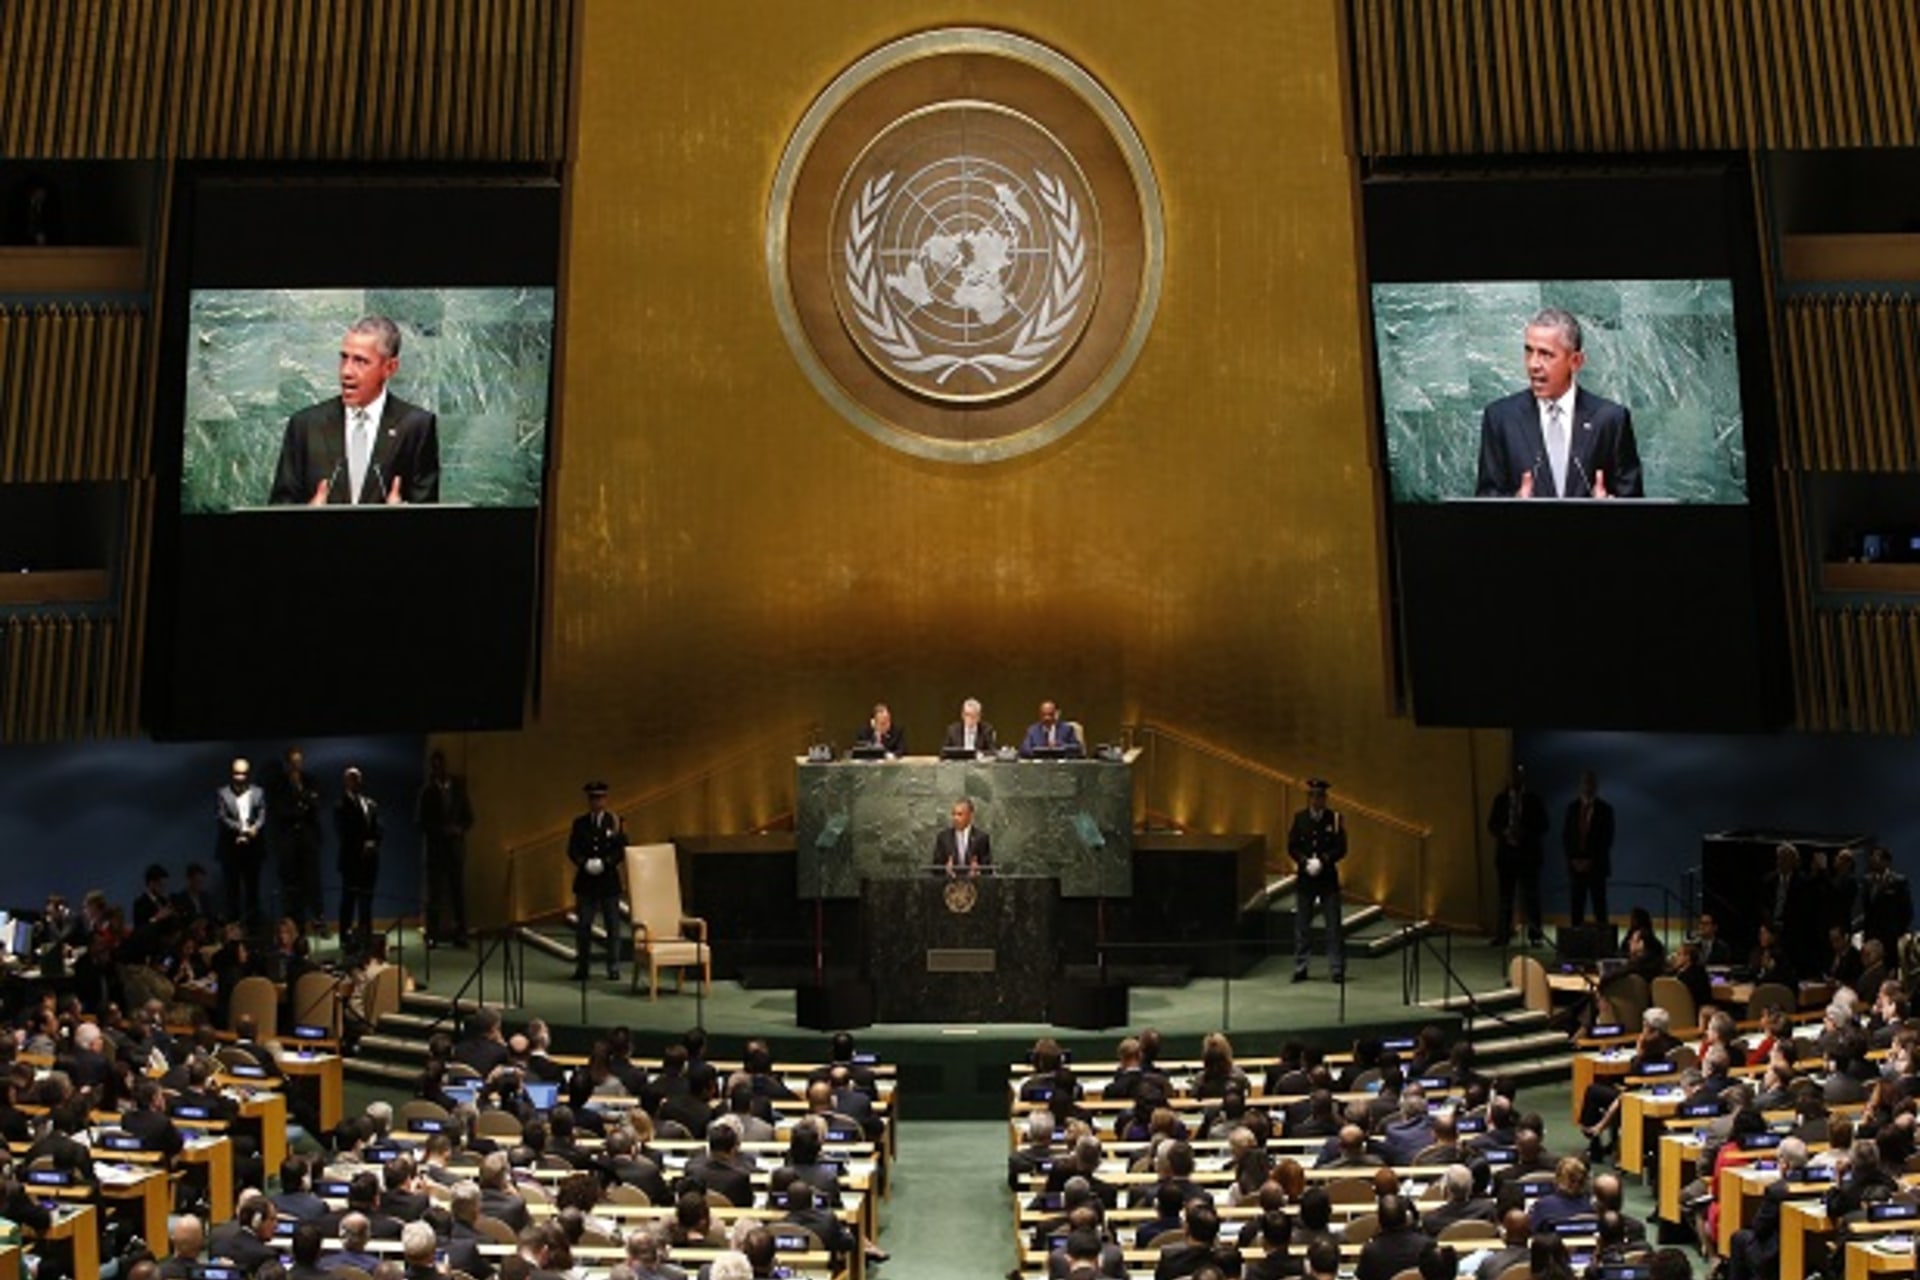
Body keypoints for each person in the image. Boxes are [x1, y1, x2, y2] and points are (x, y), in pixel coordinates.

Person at [269, 315, 440, 506]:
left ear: (390, 368)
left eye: (360, 361)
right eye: (344, 358)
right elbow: (280, 508)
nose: (346, 372)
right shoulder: (305, 426)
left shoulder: (416, 426)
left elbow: (428, 513)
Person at [1474, 307, 1642, 499]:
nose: (1533, 364)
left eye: (1546, 354)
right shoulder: (1501, 418)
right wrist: (1516, 503)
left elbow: (1634, 501)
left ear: (1576, 361)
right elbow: (1486, 497)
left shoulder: (1611, 419)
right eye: (1529, 351)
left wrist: (1608, 507)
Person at [1288, 778, 1347, 984]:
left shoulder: (1335, 819)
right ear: (1308, 798)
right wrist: (1304, 862)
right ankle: (1301, 966)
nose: (1316, 800)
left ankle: (1336, 968)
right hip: (1306, 880)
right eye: (1313, 795)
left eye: (1320, 796)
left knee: (1333, 926)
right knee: (1302, 926)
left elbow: (1341, 848)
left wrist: (1323, 860)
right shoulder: (1300, 818)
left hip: (1327, 879)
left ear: (1325, 798)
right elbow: (1292, 846)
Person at [416, 749, 475, 947]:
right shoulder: (427, 791)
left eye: (440, 765)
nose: (437, 769)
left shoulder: (458, 790)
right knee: (435, 895)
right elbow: (421, 822)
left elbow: (469, 817)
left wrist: (458, 829)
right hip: (436, 850)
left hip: (455, 850)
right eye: (434, 766)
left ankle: (461, 933)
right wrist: (441, 830)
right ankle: (431, 935)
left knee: (458, 893)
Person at [568, 781, 625, 980]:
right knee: (584, 926)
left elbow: (621, 849)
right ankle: (583, 966)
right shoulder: (580, 823)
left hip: (608, 881)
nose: (596, 802)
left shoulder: (615, 822)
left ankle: (614, 966)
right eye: (593, 798)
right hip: (586, 882)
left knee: (613, 926)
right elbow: (572, 849)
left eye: (600, 798)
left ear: (606, 799)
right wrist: (584, 863)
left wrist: (606, 862)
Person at [1486, 764, 1548, 946]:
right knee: (1505, 897)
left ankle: (1535, 936)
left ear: (1523, 778)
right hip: (1506, 856)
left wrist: (1524, 833)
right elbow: (1491, 825)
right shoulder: (1500, 800)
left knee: (1531, 898)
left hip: (1528, 856)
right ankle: (1503, 934)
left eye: (1519, 776)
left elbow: (1544, 825)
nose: (1515, 780)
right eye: (1513, 776)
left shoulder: (1533, 800)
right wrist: (1505, 832)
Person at [266, 746, 326, 934]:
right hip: (288, 841)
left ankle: (318, 920)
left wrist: (302, 800)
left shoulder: (310, 780)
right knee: (291, 885)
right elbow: (279, 810)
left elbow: (315, 803)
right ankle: (295, 923)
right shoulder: (278, 784)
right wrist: (301, 807)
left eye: (299, 762)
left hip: (308, 839)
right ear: (287, 763)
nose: (296, 766)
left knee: (312, 881)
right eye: (293, 762)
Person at [216, 757, 268, 927]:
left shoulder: (258, 792)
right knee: (232, 893)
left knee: (253, 892)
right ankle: (234, 930)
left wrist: (254, 829)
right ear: (231, 773)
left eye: (243, 774)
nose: (240, 777)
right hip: (231, 850)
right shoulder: (222, 793)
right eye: (237, 773)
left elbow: (262, 815)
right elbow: (222, 818)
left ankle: (253, 928)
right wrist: (241, 829)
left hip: (253, 850)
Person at [336, 766, 383, 945]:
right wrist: (361, 845)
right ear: (346, 781)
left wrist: (373, 844)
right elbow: (344, 832)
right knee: (348, 899)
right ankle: (345, 936)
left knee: (366, 901)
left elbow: (378, 828)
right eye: (352, 778)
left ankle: (365, 935)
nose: (356, 782)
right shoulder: (340, 805)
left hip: (370, 861)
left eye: (358, 778)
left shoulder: (370, 803)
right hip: (351, 860)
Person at [1563, 770, 1614, 928]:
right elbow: (1566, 836)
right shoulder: (1572, 808)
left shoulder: (1605, 809)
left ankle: (1604, 943)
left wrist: (1590, 861)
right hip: (1575, 866)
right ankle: (1575, 943)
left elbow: (1607, 839)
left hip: (1596, 867)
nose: (1588, 786)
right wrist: (1573, 860)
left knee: (1599, 905)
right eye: (1585, 782)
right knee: (1576, 906)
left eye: (1591, 783)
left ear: (1596, 786)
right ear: (1581, 785)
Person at [1858, 845, 1913, 959]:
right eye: (1872, 856)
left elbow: (1907, 911)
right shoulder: (1867, 880)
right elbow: (1866, 908)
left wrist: (1898, 932)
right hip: (1871, 935)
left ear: (1886, 861)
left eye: (1876, 856)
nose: (1873, 859)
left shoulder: (1898, 881)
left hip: (1890, 936)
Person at [933, 797, 991, 877]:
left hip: (974, 886)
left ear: (970, 816)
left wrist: (978, 871)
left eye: (959, 814)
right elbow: (935, 868)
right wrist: (946, 870)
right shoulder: (943, 837)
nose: (955, 818)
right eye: (953, 814)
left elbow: (988, 869)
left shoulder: (981, 838)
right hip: (948, 885)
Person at [1019, 700, 1084, 757]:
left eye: (1050, 715)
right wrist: (1040, 752)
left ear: (1056, 714)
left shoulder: (1067, 729)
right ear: (1040, 715)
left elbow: (1077, 748)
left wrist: (1059, 745)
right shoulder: (1033, 730)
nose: (1047, 718)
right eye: (1044, 715)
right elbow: (1024, 750)